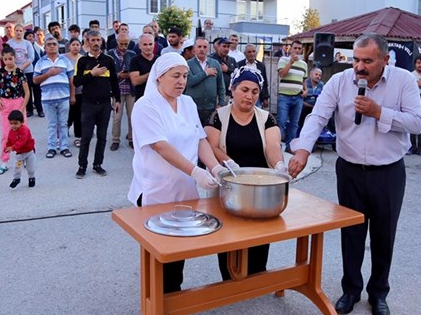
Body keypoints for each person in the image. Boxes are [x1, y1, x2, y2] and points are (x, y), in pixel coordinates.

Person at [288, 33, 421, 315]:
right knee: (351, 233)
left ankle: (379, 294)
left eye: (367, 61)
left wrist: (379, 112)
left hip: (388, 172)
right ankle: (350, 290)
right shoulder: (339, 82)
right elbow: (318, 117)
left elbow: (417, 123)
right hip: (349, 170)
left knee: (383, 235)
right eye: (356, 60)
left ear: (385, 60)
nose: (359, 67)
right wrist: (302, 149)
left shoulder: (403, 81)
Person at [128, 52, 223, 293]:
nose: (181, 81)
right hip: (156, 189)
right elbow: (161, 146)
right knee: (158, 251)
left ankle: (173, 297)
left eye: (185, 76)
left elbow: (200, 139)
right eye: (175, 76)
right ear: (159, 77)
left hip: (184, 189)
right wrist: (196, 172)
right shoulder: (145, 106)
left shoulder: (187, 103)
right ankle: (155, 302)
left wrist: (215, 167)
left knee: (178, 249)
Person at [205, 67, 284, 280]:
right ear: (233, 89)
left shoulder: (266, 118)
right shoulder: (218, 117)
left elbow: (272, 145)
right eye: (245, 90)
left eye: (255, 91)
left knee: (259, 237)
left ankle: (255, 279)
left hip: (260, 190)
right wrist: (228, 162)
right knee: (228, 237)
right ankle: (230, 281)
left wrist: (279, 165)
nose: (250, 96)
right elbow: (211, 146)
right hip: (229, 187)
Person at [73, 30, 120, 178]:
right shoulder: (82, 61)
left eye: (98, 40)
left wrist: (118, 100)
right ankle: (82, 166)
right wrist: (92, 73)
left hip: (105, 105)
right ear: (87, 41)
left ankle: (98, 165)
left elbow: (114, 81)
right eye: (92, 40)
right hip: (88, 104)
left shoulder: (109, 60)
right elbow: (76, 82)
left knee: (102, 137)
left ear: (101, 41)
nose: (95, 43)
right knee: (86, 137)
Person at [33, 37, 75, 159]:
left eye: (54, 44)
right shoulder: (40, 62)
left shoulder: (65, 60)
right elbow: (35, 80)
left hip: (63, 97)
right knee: (51, 124)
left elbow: (71, 79)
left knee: (63, 124)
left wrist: (72, 95)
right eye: (49, 44)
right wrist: (48, 74)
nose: (52, 46)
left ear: (58, 46)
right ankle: (51, 148)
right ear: (45, 47)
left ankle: (64, 147)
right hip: (47, 99)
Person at [0, 47, 30, 175]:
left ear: (15, 58)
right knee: (5, 134)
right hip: (5, 104)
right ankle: (4, 161)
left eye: (10, 58)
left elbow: (27, 92)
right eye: (5, 59)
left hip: (18, 102)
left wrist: (22, 107)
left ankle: (24, 157)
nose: (8, 61)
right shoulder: (0, 72)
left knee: (23, 131)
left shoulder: (20, 72)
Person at [186, 37, 226, 125]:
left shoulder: (215, 63)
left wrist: (221, 103)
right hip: (193, 107)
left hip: (210, 108)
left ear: (208, 49)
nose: (202, 49)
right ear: (194, 49)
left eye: (204, 47)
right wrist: (205, 73)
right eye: (199, 46)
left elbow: (221, 85)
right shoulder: (188, 64)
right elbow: (189, 82)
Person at [277, 40, 308, 146]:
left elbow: (304, 80)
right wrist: (290, 62)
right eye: (295, 48)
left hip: (298, 97)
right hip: (284, 96)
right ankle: (277, 145)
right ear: (290, 49)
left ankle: (290, 146)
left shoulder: (304, 64)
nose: (297, 50)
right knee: (281, 122)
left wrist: (306, 90)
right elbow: (282, 74)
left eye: (299, 48)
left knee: (294, 124)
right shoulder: (283, 59)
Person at [110, 32, 136, 150]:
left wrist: (129, 74)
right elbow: (107, 72)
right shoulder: (110, 54)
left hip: (130, 90)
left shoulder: (132, 54)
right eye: (121, 44)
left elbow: (136, 70)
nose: (124, 46)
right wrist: (118, 75)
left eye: (126, 44)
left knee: (132, 116)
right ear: (117, 42)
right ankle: (115, 139)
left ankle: (132, 138)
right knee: (117, 117)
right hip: (117, 90)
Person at [6, 24, 35, 116]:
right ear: (14, 31)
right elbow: (7, 56)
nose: (18, 32)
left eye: (20, 31)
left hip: (27, 70)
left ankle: (29, 109)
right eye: (17, 30)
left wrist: (21, 68)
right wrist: (14, 68)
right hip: (13, 70)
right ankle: (17, 109)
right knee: (16, 89)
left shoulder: (27, 43)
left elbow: (31, 58)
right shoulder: (9, 43)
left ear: (23, 32)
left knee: (27, 90)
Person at [4, 110, 36, 189]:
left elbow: (22, 141)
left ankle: (31, 177)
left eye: (16, 123)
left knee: (30, 168)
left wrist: (13, 147)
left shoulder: (24, 130)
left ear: (21, 122)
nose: (13, 126)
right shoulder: (11, 132)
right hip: (20, 154)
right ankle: (16, 179)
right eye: (11, 123)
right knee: (17, 167)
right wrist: (7, 147)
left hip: (29, 152)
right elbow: (9, 141)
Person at [236, 44, 269, 108]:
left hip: (257, 97)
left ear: (256, 53)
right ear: (245, 54)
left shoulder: (261, 66)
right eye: (249, 52)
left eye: (253, 51)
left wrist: (265, 98)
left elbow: (264, 83)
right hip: (243, 96)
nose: (252, 54)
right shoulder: (239, 65)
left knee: (257, 113)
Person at [65, 38, 84, 147]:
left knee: (78, 115)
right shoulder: (64, 58)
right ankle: (64, 133)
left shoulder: (83, 58)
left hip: (80, 91)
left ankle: (78, 137)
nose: (76, 46)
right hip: (65, 91)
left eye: (78, 44)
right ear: (69, 46)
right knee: (67, 114)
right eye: (73, 44)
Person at [129, 33, 158, 100]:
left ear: (154, 45)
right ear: (139, 46)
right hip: (141, 97)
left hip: (157, 97)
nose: (148, 47)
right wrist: (151, 74)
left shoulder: (159, 60)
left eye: (150, 44)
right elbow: (135, 81)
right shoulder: (135, 60)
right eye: (145, 44)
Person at [24, 30, 44, 117]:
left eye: (32, 36)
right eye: (29, 36)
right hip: (27, 72)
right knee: (27, 91)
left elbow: (42, 58)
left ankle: (40, 110)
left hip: (37, 72)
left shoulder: (38, 47)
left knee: (37, 92)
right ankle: (29, 110)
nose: (31, 38)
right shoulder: (24, 46)